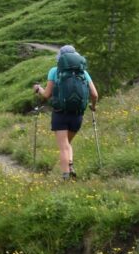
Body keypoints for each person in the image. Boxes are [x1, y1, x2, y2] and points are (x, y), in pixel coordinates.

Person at [33, 44, 98, 180]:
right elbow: (94, 94)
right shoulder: (83, 73)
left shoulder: (54, 71)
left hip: (60, 113)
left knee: (63, 146)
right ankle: (70, 165)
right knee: (67, 144)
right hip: (77, 114)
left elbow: (46, 95)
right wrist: (93, 106)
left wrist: (39, 89)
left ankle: (66, 176)